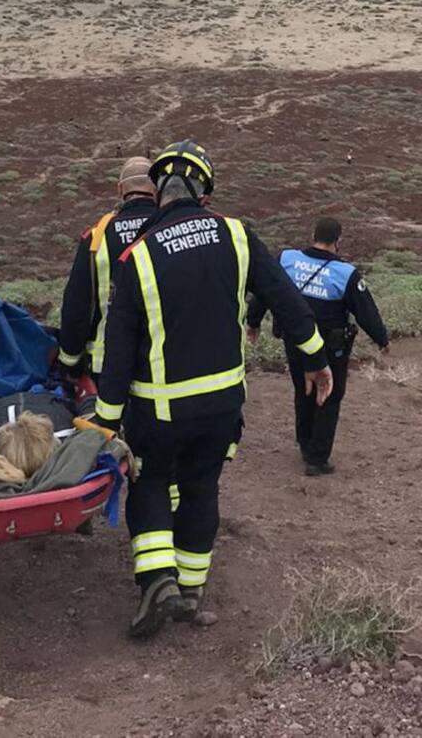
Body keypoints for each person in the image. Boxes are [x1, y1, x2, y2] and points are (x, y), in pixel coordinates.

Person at [95, 140, 333, 638]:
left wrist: (107, 415)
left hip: (158, 410)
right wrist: (314, 357)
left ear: (159, 192)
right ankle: (192, 589)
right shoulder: (238, 236)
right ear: (204, 191)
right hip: (223, 404)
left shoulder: (138, 255)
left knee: (152, 482)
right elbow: (284, 299)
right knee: (202, 486)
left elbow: (120, 343)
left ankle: (158, 583)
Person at [247, 218, 389, 477]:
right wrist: (382, 338)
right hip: (331, 346)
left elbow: (267, 290)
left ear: (312, 234)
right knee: (329, 394)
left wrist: (253, 320)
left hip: (296, 340)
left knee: (304, 389)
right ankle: (317, 458)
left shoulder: (286, 259)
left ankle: (305, 443)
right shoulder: (345, 273)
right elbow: (365, 311)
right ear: (338, 240)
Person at [57, 157, 158, 380]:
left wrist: (69, 359)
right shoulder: (169, 229)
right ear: (156, 188)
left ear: (120, 189)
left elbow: (77, 304)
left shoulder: (96, 238)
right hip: (163, 362)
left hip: (107, 365)